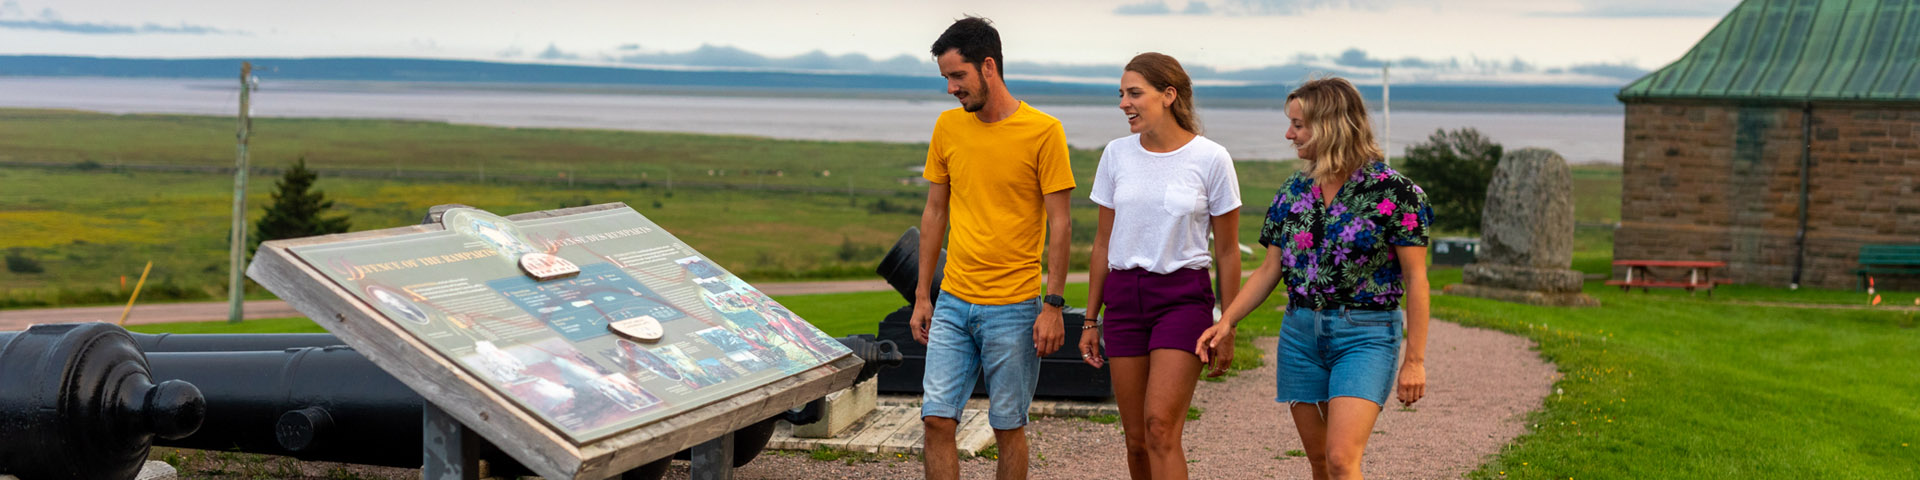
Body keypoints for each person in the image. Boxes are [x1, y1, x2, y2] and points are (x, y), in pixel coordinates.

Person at [1196, 76, 1432, 480]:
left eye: (1299, 125)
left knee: (1341, 459)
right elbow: (1271, 268)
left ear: (1332, 125)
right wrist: (1227, 321)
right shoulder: (1293, 191)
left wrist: (1415, 361)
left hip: (1367, 334)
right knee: (1320, 462)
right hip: (1300, 335)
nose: (1289, 134)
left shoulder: (1398, 194)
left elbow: (1416, 281)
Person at [910, 16, 1075, 480]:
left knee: (1008, 427)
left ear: (988, 66)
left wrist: (1054, 305)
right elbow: (934, 214)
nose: (950, 89)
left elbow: (1060, 224)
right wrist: (925, 295)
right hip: (953, 303)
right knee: (936, 419)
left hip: (1015, 309)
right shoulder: (947, 127)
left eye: (957, 76)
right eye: (945, 78)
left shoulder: (1044, 131)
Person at [1076, 52, 1240, 480]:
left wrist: (1228, 324)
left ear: (1168, 95)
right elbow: (1102, 243)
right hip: (1124, 300)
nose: (1123, 104)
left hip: (1182, 300)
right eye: (1121, 94)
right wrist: (1090, 320)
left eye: (1134, 93)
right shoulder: (1115, 155)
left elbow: (1227, 252)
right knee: (1135, 440)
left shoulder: (1212, 158)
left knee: (1160, 429)